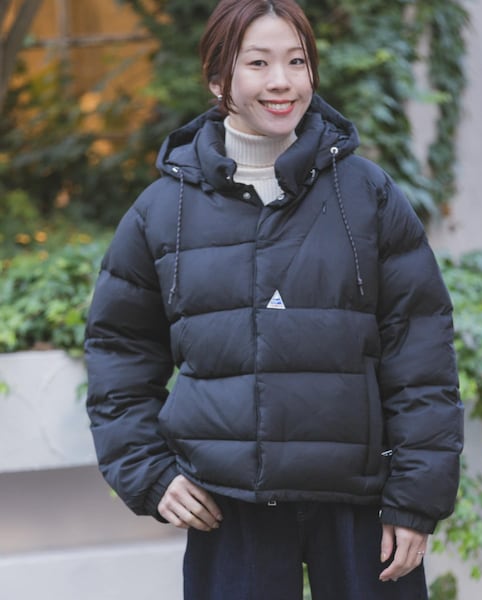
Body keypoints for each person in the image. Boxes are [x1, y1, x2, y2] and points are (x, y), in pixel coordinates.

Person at [85, 1, 463, 598]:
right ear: (218, 79)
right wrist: (148, 472)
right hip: (228, 505)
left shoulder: (366, 195)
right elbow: (118, 354)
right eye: (258, 63)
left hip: (362, 503)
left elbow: (421, 355)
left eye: (297, 61)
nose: (282, 81)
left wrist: (416, 498)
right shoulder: (163, 212)